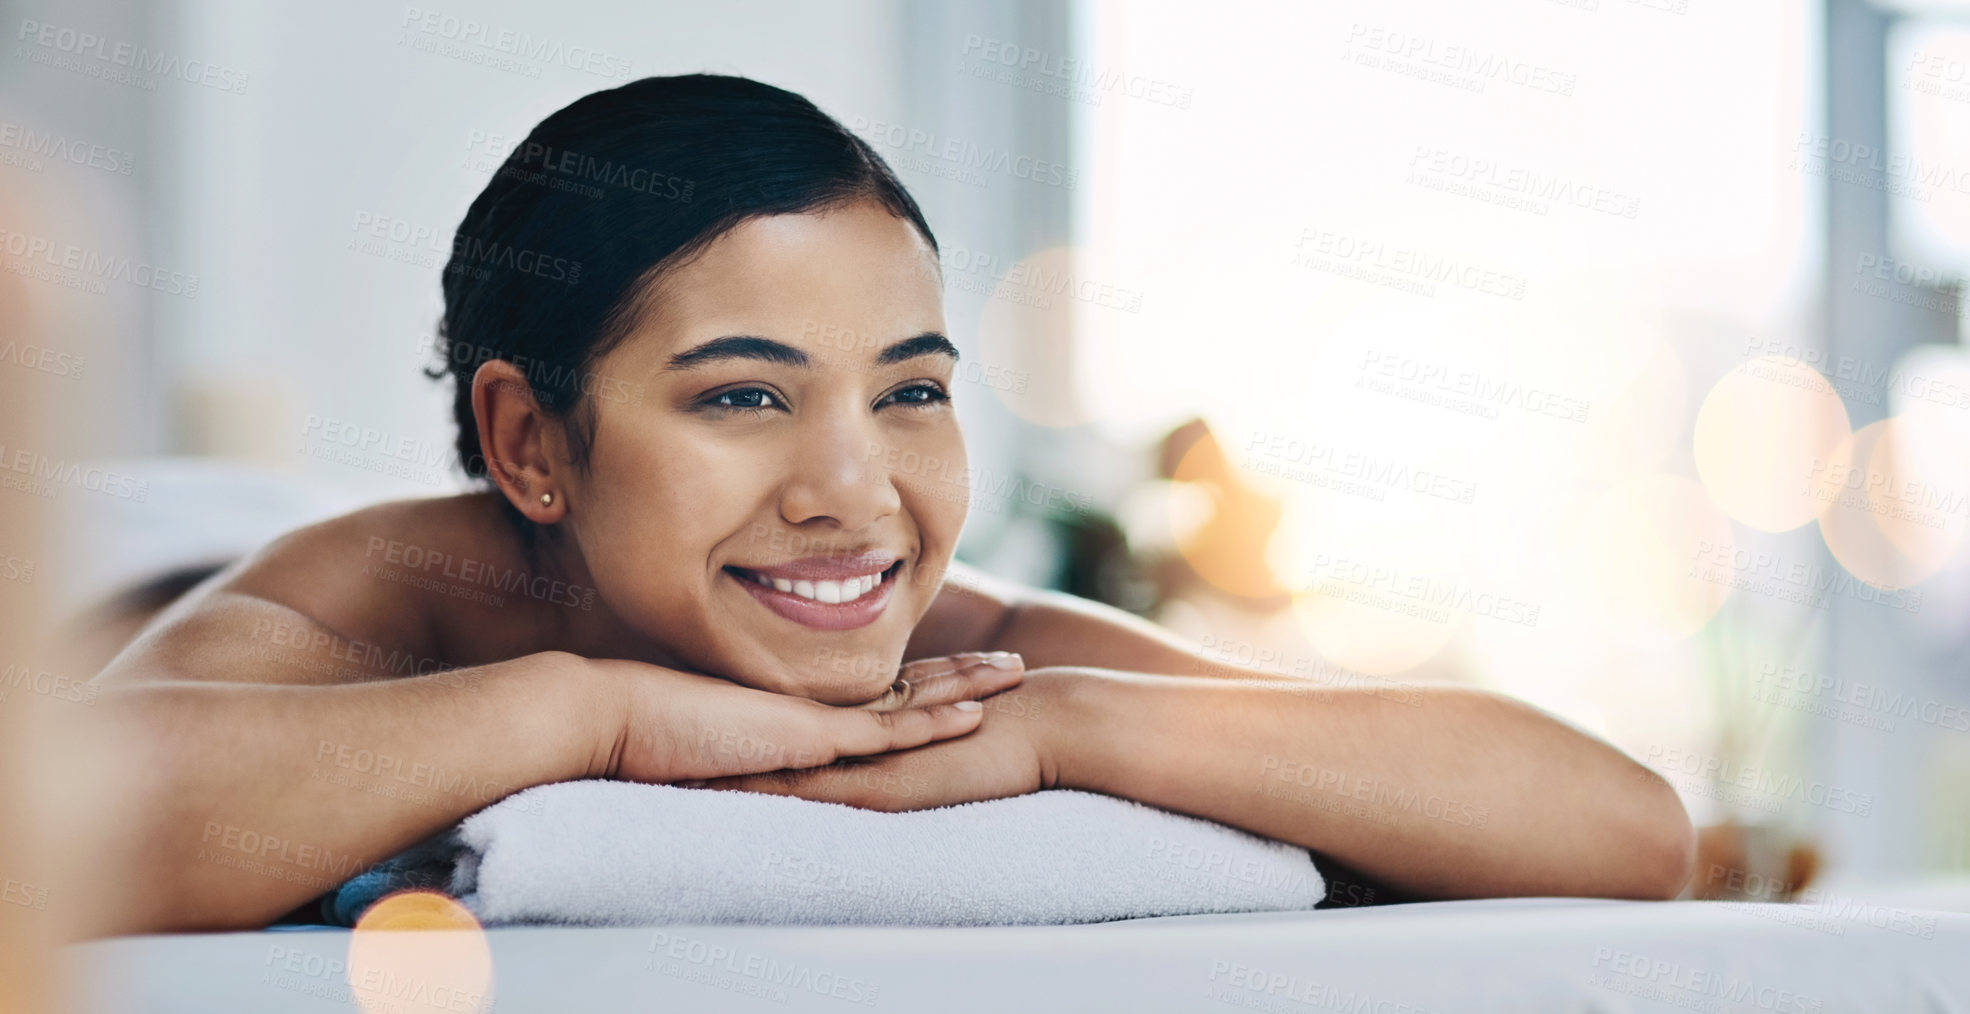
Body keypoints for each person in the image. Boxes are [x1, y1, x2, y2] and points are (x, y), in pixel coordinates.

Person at [90, 73, 1695, 933]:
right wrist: (592, 715)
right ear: (528, 443)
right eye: (740, 396)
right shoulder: (373, 601)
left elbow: (1623, 828)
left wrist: (1077, 724)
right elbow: (55, 832)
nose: (855, 492)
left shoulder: (965, 642)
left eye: (910, 390)